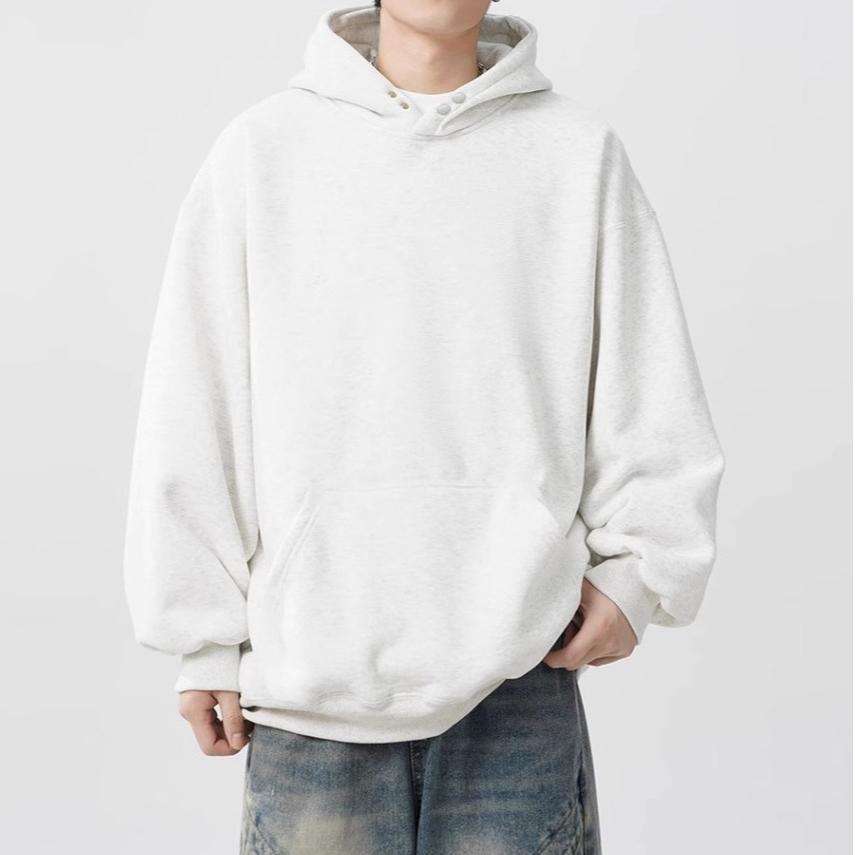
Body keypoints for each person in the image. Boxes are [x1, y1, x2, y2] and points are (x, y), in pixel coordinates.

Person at [124, 1, 725, 852]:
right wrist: (203, 640)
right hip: (308, 694)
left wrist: (638, 574)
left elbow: (646, 376)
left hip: (517, 681)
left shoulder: (574, 153)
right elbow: (196, 399)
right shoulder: (263, 151)